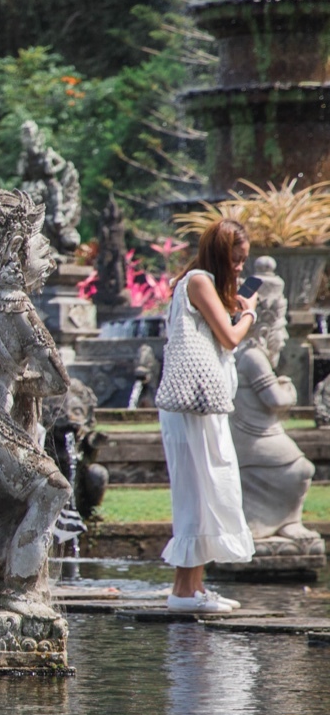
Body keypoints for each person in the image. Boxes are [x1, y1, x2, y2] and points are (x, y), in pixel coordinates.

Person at [159, 217, 257, 610]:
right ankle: (182, 592)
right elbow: (230, 338)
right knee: (195, 492)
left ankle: (194, 589)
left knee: (209, 490)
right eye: (236, 260)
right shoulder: (199, 280)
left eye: (243, 261)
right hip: (191, 407)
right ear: (219, 255)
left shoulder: (205, 286)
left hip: (204, 406)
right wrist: (249, 312)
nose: (240, 268)